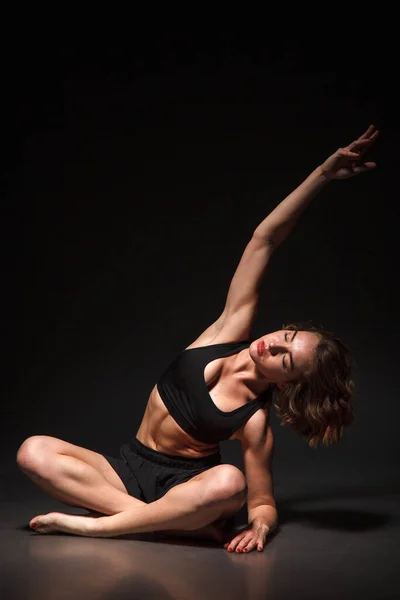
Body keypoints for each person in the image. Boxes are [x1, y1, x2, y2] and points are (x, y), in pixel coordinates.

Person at [16, 125, 379, 553]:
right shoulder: (230, 330)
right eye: (286, 335)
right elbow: (264, 239)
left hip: (187, 487)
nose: (273, 345)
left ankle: (103, 526)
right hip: (128, 469)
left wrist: (260, 526)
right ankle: (161, 523)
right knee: (33, 451)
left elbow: (261, 502)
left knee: (231, 483)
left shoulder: (254, 421)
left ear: (286, 382)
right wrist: (322, 173)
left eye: (285, 359)